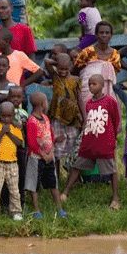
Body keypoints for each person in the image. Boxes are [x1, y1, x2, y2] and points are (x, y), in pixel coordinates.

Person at [61, 74, 122, 210]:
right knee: (77, 166)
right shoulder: (88, 103)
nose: (91, 87)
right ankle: (65, 192)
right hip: (89, 142)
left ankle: (116, 198)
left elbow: (115, 120)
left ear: (102, 85)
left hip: (104, 143)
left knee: (111, 170)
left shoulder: (110, 101)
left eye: (94, 84)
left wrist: (113, 138)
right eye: (89, 84)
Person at [24, 92, 65, 218]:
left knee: (53, 182)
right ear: (43, 104)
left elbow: (50, 135)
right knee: (34, 184)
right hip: (36, 158)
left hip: (49, 157)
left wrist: (51, 152)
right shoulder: (31, 121)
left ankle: (59, 209)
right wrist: (43, 154)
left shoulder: (45, 118)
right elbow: (31, 142)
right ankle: (36, 210)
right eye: (46, 101)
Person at [44, 53, 82, 182]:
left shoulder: (76, 80)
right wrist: (58, 62)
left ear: (70, 66)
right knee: (57, 149)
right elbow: (47, 62)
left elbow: (79, 99)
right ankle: (56, 177)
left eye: (66, 68)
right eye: (61, 69)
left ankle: (74, 178)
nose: (63, 71)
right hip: (57, 117)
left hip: (72, 118)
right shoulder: (55, 77)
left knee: (73, 147)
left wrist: (85, 116)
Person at [0, 101, 24, 221]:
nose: (6, 119)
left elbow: (19, 143)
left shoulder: (15, 128)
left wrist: (9, 132)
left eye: (9, 116)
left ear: (13, 115)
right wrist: (2, 132)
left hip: (13, 163)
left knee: (14, 190)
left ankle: (16, 212)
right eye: (3, 116)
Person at [73, 21, 120, 106]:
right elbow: (76, 68)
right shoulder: (87, 52)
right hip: (87, 89)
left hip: (106, 92)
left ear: (111, 35)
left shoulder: (115, 54)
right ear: (96, 35)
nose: (104, 35)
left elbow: (113, 73)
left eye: (107, 33)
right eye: (101, 33)